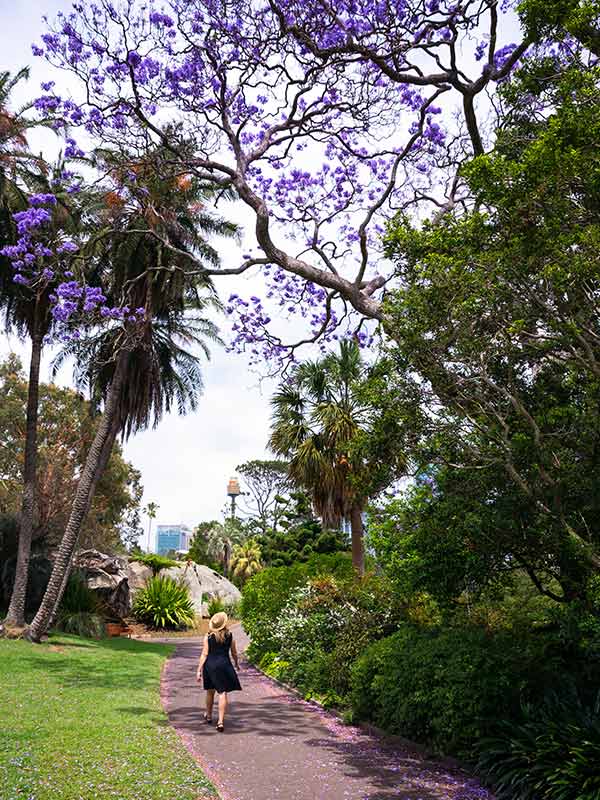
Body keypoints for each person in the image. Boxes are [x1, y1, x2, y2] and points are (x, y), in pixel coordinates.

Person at [196, 611, 242, 732]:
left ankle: (209, 716)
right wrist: (236, 664)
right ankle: (220, 722)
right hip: (224, 665)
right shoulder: (230, 636)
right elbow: (234, 653)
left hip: (210, 666)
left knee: (210, 692)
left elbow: (204, 654)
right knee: (222, 693)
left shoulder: (208, 636)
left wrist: (199, 670)